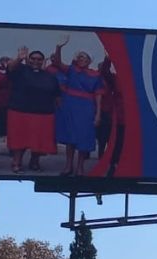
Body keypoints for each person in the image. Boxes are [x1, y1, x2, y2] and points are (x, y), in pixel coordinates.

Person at [50, 36, 103, 176]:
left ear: (89, 60)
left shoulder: (95, 75)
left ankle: (80, 166)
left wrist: (98, 114)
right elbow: (57, 62)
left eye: (85, 57)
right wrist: (59, 47)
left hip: (86, 108)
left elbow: (98, 95)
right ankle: (68, 166)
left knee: (84, 137)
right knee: (70, 137)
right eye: (80, 56)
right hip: (70, 106)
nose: (82, 59)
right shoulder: (72, 70)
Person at [5, 47, 61, 173]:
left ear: (43, 61)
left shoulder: (50, 76)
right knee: (19, 140)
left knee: (39, 141)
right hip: (20, 111)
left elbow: (57, 95)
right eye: (33, 58)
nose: (36, 61)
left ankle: (34, 162)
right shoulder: (20, 70)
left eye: (39, 59)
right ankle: (16, 162)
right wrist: (19, 57)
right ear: (28, 59)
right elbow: (10, 68)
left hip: (43, 113)